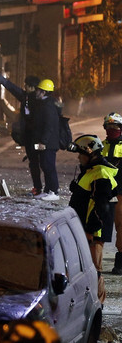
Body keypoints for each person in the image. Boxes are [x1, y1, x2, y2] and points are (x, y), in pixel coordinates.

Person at [0, 70, 62, 199]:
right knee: (35, 163)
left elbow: (49, 124)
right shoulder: (28, 98)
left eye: (27, 86)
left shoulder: (43, 103)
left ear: (36, 89)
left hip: (41, 139)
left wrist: (43, 141)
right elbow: (13, 89)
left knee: (47, 164)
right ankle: (39, 189)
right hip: (32, 138)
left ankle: (51, 191)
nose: (25, 88)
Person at [66, 134, 118, 304]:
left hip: (92, 234)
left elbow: (101, 207)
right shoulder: (91, 171)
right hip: (85, 230)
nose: (79, 158)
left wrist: (90, 231)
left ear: (91, 154)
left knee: (94, 272)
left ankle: (97, 307)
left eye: (81, 154)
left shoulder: (100, 174)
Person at [101, 113, 122, 275]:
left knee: (121, 226)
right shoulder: (102, 145)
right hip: (105, 192)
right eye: (108, 127)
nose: (111, 130)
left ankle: (120, 261)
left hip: (120, 191)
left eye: (115, 126)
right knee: (101, 226)